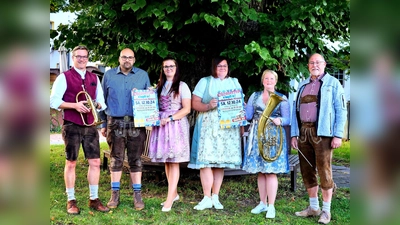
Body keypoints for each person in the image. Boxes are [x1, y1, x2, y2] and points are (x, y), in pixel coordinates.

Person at [50, 45, 109, 214]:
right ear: (73, 58)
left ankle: (94, 198)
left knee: (95, 162)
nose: (82, 59)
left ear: (88, 58)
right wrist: (74, 105)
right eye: (78, 56)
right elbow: (53, 101)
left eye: (84, 56)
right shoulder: (64, 77)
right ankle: (71, 200)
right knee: (71, 162)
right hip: (72, 124)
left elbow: (102, 101)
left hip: (90, 125)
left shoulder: (93, 78)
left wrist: (97, 104)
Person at [291, 53, 347, 224]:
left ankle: (326, 211)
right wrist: (294, 134)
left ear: (324, 65)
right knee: (307, 170)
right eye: (311, 63)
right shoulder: (302, 85)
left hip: (323, 133)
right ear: (308, 66)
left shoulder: (333, 84)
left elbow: (341, 110)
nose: (314, 65)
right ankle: (313, 207)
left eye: (318, 62)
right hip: (304, 132)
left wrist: (338, 135)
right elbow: (295, 111)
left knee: (324, 171)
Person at [188, 57, 243, 210]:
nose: (222, 69)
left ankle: (215, 196)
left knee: (220, 162)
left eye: (224, 66)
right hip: (208, 126)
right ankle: (206, 197)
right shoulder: (205, 82)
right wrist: (208, 105)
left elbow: (239, 106)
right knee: (205, 161)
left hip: (227, 128)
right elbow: (194, 103)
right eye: (219, 66)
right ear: (214, 67)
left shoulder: (234, 82)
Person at [100, 48, 151, 210]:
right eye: (124, 57)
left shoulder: (143, 75)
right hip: (115, 122)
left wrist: (149, 119)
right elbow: (102, 100)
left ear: (134, 60)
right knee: (116, 158)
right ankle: (114, 194)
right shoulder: (108, 75)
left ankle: (137, 195)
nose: (127, 60)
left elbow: (149, 100)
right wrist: (103, 124)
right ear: (119, 58)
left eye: (130, 57)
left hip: (137, 123)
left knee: (136, 159)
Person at [242, 69, 290, 219]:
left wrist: (280, 120)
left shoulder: (282, 98)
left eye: (271, 79)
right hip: (257, 135)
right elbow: (248, 116)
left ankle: (271, 206)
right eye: (266, 79)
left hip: (273, 136)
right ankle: (262, 203)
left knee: (270, 171)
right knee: (261, 170)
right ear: (262, 81)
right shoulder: (254, 96)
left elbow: (287, 119)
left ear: (275, 81)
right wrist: (239, 108)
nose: (269, 81)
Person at [148, 58, 191, 212]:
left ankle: (169, 198)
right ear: (162, 69)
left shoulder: (182, 86)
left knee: (174, 161)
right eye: (165, 67)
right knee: (167, 161)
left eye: (171, 66)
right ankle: (174, 194)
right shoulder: (159, 87)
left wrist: (171, 118)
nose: (168, 69)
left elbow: (187, 109)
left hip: (175, 125)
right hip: (162, 125)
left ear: (176, 68)